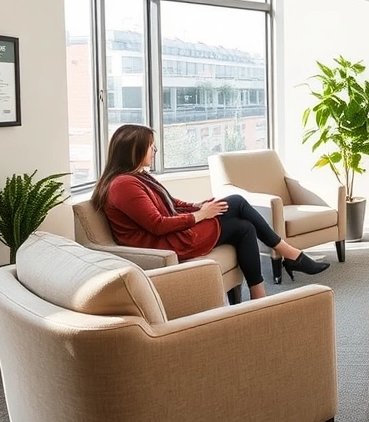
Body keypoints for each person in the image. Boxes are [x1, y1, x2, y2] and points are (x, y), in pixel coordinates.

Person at [91, 124, 329, 300]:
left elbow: (173, 203)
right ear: (135, 149)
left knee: (244, 227)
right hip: (166, 243)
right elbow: (157, 224)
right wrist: (201, 215)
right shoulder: (123, 185)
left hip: (171, 234)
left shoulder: (138, 178)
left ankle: (260, 295)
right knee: (237, 202)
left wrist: (201, 205)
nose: (154, 150)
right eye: (150, 145)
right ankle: (289, 254)